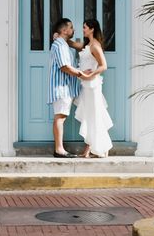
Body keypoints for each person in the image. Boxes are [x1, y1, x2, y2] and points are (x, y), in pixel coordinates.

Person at [47, 18, 87, 158]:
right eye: (71, 27)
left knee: (62, 116)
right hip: (61, 87)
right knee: (60, 117)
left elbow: (82, 48)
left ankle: (61, 148)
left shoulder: (63, 43)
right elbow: (64, 66)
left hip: (67, 87)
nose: (73, 30)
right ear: (64, 30)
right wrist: (81, 74)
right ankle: (59, 150)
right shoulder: (59, 45)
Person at [74, 19, 113, 158]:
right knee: (90, 116)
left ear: (91, 29)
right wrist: (61, 38)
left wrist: (89, 75)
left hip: (92, 86)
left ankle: (95, 148)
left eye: (84, 27)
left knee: (94, 116)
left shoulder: (95, 45)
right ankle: (97, 148)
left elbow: (104, 66)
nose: (83, 29)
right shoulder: (87, 44)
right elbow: (75, 45)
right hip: (86, 86)